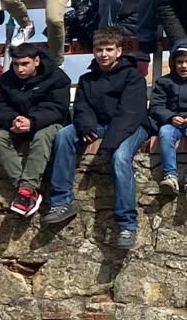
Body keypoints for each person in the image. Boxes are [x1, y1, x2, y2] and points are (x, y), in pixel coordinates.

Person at [42, 28, 149, 246]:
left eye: (109, 49)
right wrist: (85, 126)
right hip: (100, 124)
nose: (104, 54)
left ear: (119, 51)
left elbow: (129, 113)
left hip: (132, 126)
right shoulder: (87, 79)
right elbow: (82, 107)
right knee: (64, 134)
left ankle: (127, 224)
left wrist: (109, 145)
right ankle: (61, 200)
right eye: (99, 50)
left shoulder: (133, 77)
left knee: (120, 158)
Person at [0, 43, 71, 218]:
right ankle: (27, 191)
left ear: (37, 61)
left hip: (48, 124)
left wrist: (32, 121)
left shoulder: (57, 77)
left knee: (42, 137)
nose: (20, 69)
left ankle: (25, 190)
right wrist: (12, 120)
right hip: (16, 125)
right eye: (16, 64)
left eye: (25, 64)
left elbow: (57, 108)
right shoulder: (5, 81)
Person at [151, 41, 187, 198]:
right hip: (171, 123)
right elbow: (156, 106)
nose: (183, 66)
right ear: (173, 63)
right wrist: (171, 117)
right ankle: (171, 176)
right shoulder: (164, 82)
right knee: (165, 133)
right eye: (179, 62)